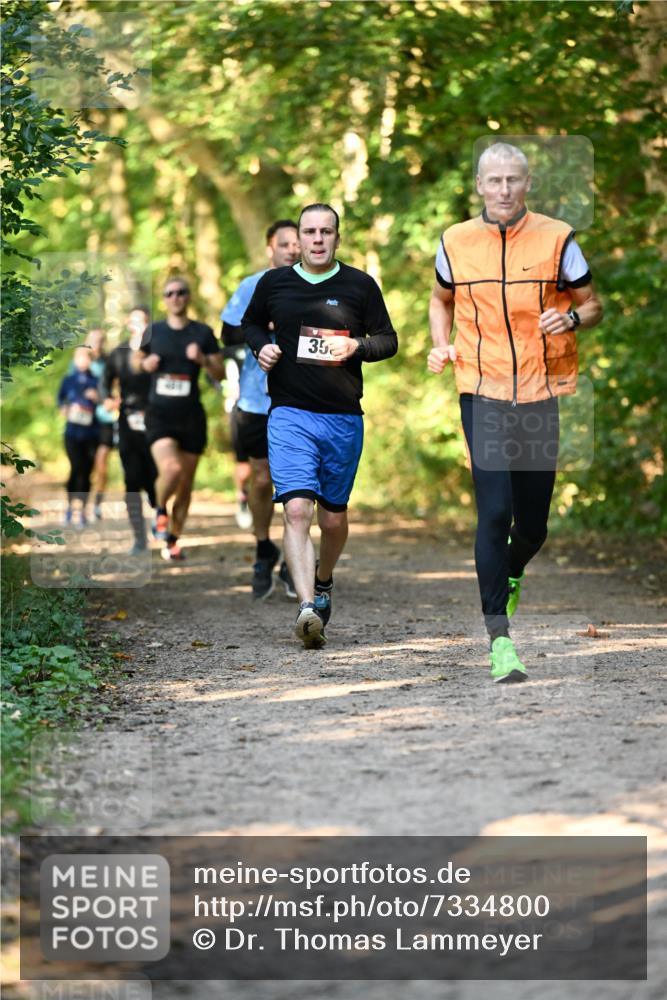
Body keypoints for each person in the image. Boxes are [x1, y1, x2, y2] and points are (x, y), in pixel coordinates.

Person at [428, 142, 603, 683]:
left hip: (539, 390)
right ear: (479, 186)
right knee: (494, 511)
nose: (504, 190)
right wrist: (440, 343)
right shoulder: (454, 241)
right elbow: (440, 299)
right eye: (494, 181)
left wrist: (571, 321)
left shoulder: (557, 238)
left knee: (533, 526)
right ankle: (499, 641)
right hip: (480, 388)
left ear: (528, 185)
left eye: (513, 180)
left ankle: (511, 569)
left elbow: (593, 304)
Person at [243, 203, 398, 648]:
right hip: (289, 413)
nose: (316, 239)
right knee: (295, 509)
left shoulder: (359, 285)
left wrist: (358, 347)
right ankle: (307, 607)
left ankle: (324, 580)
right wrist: (262, 349)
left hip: (343, 417)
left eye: (325, 232)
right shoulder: (275, 283)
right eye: (309, 231)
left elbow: (389, 340)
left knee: (332, 521)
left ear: (336, 237)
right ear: (299, 237)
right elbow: (250, 323)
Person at [220, 219, 300, 599]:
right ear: (271, 248)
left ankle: (293, 558)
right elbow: (226, 335)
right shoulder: (253, 285)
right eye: (285, 244)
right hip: (256, 399)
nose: (293, 250)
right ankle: (263, 545)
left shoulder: (314, 285)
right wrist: (265, 325)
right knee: (263, 478)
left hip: (302, 398)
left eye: (297, 243)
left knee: (298, 485)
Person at [137, 278, 224, 562]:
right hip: (159, 414)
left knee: (186, 483)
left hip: (190, 417)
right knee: (171, 470)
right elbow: (134, 362)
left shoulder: (202, 332)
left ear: (188, 297)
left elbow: (220, 373)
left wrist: (202, 360)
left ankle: (173, 539)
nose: (175, 297)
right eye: (169, 293)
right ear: (164, 299)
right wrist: (144, 363)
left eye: (181, 292)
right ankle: (160, 508)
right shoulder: (153, 331)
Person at [100, 306, 157, 554]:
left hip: (156, 421)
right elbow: (104, 382)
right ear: (127, 323)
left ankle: (161, 520)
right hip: (127, 421)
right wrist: (108, 399)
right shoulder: (118, 352)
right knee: (132, 480)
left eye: (143, 321)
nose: (138, 326)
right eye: (134, 321)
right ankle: (139, 538)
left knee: (155, 479)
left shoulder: (157, 349)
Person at [57, 345, 100, 526]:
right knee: (76, 469)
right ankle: (69, 507)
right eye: (79, 357)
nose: (82, 360)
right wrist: (65, 408)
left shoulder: (97, 381)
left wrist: (98, 397)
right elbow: (60, 402)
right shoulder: (68, 380)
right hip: (72, 433)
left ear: (91, 360)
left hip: (92, 433)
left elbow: (107, 404)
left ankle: (82, 511)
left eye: (86, 357)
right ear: (75, 360)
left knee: (87, 472)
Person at [85, 328, 118, 520]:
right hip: (86, 420)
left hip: (105, 417)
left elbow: (118, 384)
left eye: (100, 340)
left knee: (102, 461)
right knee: (86, 466)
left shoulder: (109, 361)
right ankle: (82, 503)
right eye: (93, 339)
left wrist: (111, 400)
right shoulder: (81, 362)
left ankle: (97, 504)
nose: (97, 343)